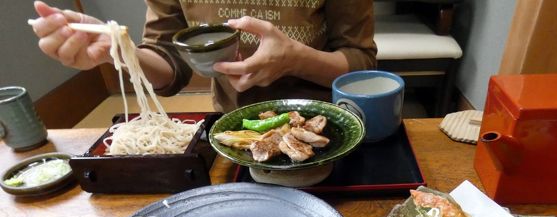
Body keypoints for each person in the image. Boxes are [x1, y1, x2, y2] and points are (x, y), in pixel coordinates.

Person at [30, 1, 377, 112]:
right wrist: (120, 51)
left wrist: (296, 59)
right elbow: (169, 62)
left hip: (326, 119)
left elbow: (361, 63)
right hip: (231, 126)